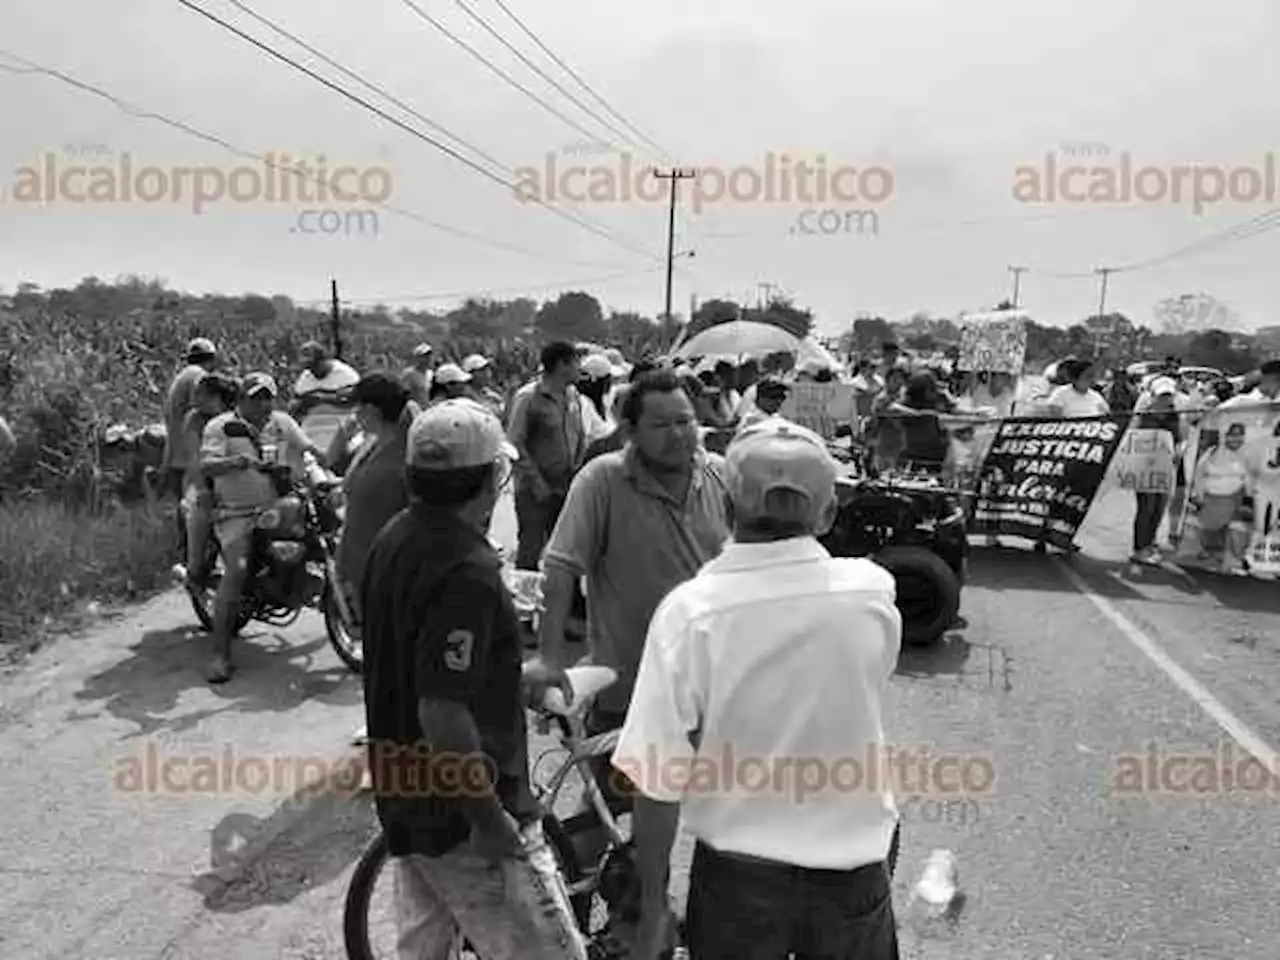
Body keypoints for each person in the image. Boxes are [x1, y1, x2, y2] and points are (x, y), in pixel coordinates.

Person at [616, 417, 903, 960]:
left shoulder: (690, 612)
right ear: (828, 513)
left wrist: (653, 903)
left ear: (727, 508)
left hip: (737, 888)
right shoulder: (871, 592)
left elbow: (654, 777)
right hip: (853, 881)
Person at [359, 398, 586, 960]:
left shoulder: (394, 539)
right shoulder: (468, 570)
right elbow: (441, 710)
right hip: (465, 818)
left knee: (427, 949)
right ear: (491, 480)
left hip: (407, 797)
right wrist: (488, 819)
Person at [526, 368, 732, 863]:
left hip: (714, 685)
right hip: (634, 687)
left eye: (685, 420)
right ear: (631, 430)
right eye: (661, 425)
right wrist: (550, 658)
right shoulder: (602, 481)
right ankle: (574, 912)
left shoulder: (722, 475)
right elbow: (558, 569)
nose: (678, 434)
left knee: (717, 810)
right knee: (612, 813)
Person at [199, 373, 323, 683]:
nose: (264, 403)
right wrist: (237, 461)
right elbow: (206, 466)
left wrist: (329, 471)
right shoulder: (220, 427)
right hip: (236, 513)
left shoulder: (281, 422)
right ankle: (220, 654)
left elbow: (309, 451)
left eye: (268, 396)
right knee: (237, 571)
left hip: (278, 506)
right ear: (240, 400)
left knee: (318, 537)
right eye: (256, 397)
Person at [334, 373, 415, 623]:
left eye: (357, 407)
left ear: (370, 410)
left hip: (391, 570)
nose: (354, 414)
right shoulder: (370, 444)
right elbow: (334, 466)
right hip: (362, 564)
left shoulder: (406, 456)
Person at [505, 341, 585, 570]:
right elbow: (514, 444)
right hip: (534, 490)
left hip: (565, 485)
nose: (580, 368)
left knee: (563, 554)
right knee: (531, 550)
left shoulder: (572, 397)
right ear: (562, 365)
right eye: (575, 363)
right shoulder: (528, 397)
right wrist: (536, 482)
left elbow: (578, 434)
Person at [173, 371, 239, 590]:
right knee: (198, 512)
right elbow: (194, 456)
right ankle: (194, 569)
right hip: (203, 478)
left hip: (235, 478)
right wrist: (202, 489)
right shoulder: (194, 419)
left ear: (217, 397)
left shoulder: (238, 413)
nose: (196, 400)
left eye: (201, 395)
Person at [1130, 376, 1181, 565]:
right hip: (1145, 468)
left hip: (1165, 469)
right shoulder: (1145, 415)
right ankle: (1139, 548)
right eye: (1162, 396)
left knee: (1159, 508)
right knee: (1146, 507)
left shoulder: (1174, 414)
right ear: (1153, 396)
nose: (1165, 400)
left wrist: (1177, 449)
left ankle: (1149, 544)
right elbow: (1137, 440)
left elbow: (1177, 438)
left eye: (1168, 396)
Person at [161, 338, 219, 501]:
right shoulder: (199, 376)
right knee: (193, 500)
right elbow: (203, 408)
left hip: (177, 447)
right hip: (189, 450)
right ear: (212, 358)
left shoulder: (184, 375)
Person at [292, 341, 360, 451]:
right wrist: (299, 405)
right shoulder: (304, 380)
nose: (312, 371)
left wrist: (324, 399)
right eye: (309, 367)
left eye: (315, 366)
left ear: (324, 360)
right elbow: (296, 409)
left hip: (341, 426)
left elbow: (354, 402)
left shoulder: (346, 375)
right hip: (313, 429)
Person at [1045, 359, 1110, 419]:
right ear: (1074, 379)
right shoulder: (1060, 393)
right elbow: (1055, 417)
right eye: (1087, 377)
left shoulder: (1096, 396)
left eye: (1092, 376)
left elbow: (1106, 414)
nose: (1091, 380)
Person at [578, 353, 617, 446]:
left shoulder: (605, 404)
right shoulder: (583, 404)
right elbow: (584, 442)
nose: (610, 382)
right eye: (608, 378)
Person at [402, 342, 437, 407]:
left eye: (429, 355)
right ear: (418, 358)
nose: (428, 358)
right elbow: (405, 393)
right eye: (424, 356)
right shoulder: (410, 374)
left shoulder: (431, 374)